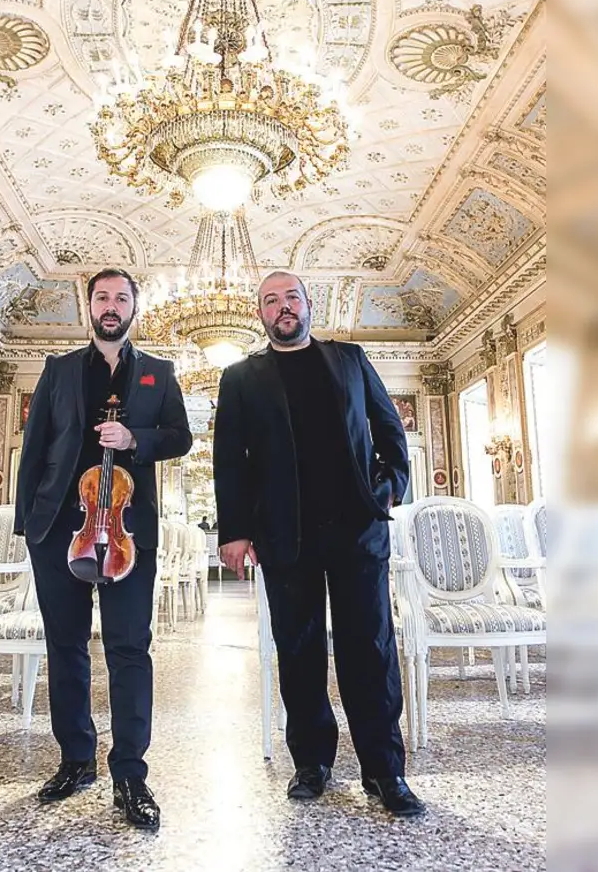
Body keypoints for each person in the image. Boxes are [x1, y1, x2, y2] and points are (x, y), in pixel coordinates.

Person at [211, 271, 422, 817]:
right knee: (299, 650)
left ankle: (384, 770)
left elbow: (389, 427)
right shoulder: (240, 377)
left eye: (292, 298)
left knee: (369, 650)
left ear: (309, 305)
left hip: (357, 528)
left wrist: (390, 487)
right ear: (260, 314)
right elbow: (229, 459)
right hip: (285, 534)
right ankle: (312, 762)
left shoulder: (350, 359)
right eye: (271, 300)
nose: (283, 307)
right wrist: (233, 531)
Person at [13, 268, 192, 830]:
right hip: (59, 525)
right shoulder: (59, 369)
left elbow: (182, 437)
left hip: (125, 532)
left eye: (121, 297)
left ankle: (130, 773)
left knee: (128, 650)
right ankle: (76, 760)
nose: (110, 306)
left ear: (134, 307)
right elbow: (36, 445)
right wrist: (28, 525)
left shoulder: (158, 374)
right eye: (102, 297)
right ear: (87, 306)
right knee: (66, 646)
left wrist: (137, 439)